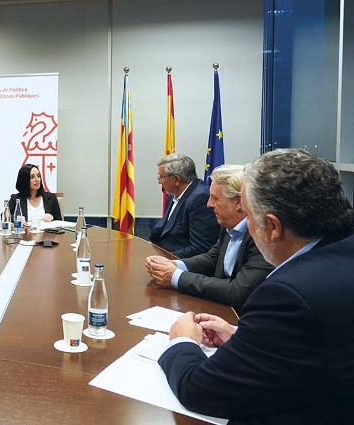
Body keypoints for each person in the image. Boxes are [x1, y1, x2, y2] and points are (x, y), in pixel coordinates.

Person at [158, 149, 354, 423]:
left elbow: (201, 391)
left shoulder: (288, 295)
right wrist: (243, 336)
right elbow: (318, 340)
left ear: (273, 227)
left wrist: (181, 341)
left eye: (248, 216)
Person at [145, 164, 273, 312]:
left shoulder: (262, 234)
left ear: (238, 202)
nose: (209, 204)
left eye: (215, 199)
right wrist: (174, 264)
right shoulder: (228, 225)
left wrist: (176, 277)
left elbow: (238, 291)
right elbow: (213, 258)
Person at [149, 153, 220, 258]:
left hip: (183, 267)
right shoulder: (173, 195)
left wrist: (165, 259)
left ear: (176, 180)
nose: (160, 182)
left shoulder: (200, 198)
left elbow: (201, 248)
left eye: (161, 177)